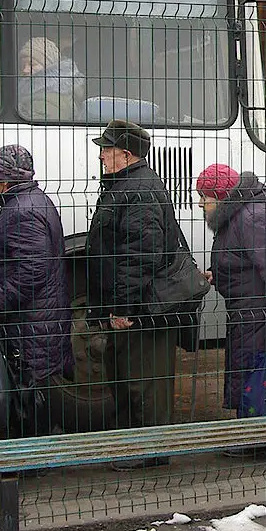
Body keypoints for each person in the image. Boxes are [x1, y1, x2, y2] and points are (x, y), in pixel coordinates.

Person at [85, 119, 180, 466]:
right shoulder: (127, 185)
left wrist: (123, 308)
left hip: (142, 310)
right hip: (136, 305)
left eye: (106, 150)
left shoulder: (136, 190)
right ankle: (134, 445)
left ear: (125, 154)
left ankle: (150, 453)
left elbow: (140, 255)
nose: (101, 157)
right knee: (127, 375)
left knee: (143, 382)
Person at [196, 165, 266, 424]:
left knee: (259, 379)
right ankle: (254, 436)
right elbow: (243, 260)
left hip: (262, 320)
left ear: (222, 197)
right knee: (251, 377)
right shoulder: (239, 216)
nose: (201, 204)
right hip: (252, 318)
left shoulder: (250, 218)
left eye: (205, 197)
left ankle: (259, 440)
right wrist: (218, 273)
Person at [0, 145, 73, 435]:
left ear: (6, 181)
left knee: (29, 392)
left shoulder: (22, 211)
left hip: (29, 322)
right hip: (36, 318)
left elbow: (33, 270)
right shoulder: (31, 201)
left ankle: (35, 457)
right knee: (33, 390)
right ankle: (36, 450)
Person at [17, 36, 86, 121]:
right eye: (23, 65)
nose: (25, 70)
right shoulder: (41, 94)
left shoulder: (48, 102)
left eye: (32, 64)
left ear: (49, 65)